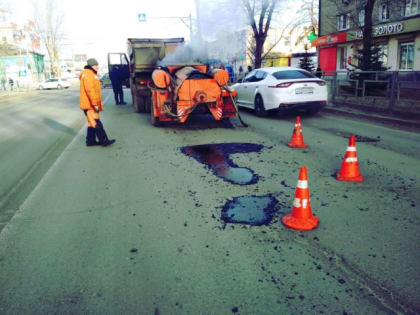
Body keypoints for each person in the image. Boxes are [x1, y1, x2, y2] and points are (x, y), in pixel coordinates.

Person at [80, 58, 115, 147]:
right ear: (91, 66)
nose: (98, 67)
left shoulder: (88, 73)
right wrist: (95, 104)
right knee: (96, 122)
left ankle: (90, 141)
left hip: (88, 104)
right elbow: (90, 90)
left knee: (91, 123)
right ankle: (104, 140)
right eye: (96, 65)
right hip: (90, 105)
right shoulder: (89, 74)